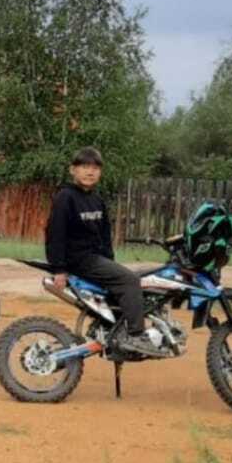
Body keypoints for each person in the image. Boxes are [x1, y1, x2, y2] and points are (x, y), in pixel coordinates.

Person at [45, 147, 162, 358]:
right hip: (78, 260)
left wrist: (111, 263)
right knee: (130, 281)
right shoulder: (65, 197)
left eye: (95, 167)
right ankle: (136, 336)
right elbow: (55, 234)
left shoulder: (97, 200)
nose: (90, 172)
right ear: (73, 170)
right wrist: (59, 269)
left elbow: (105, 236)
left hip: (95, 259)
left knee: (137, 278)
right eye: (84, 167)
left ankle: (113, 329)